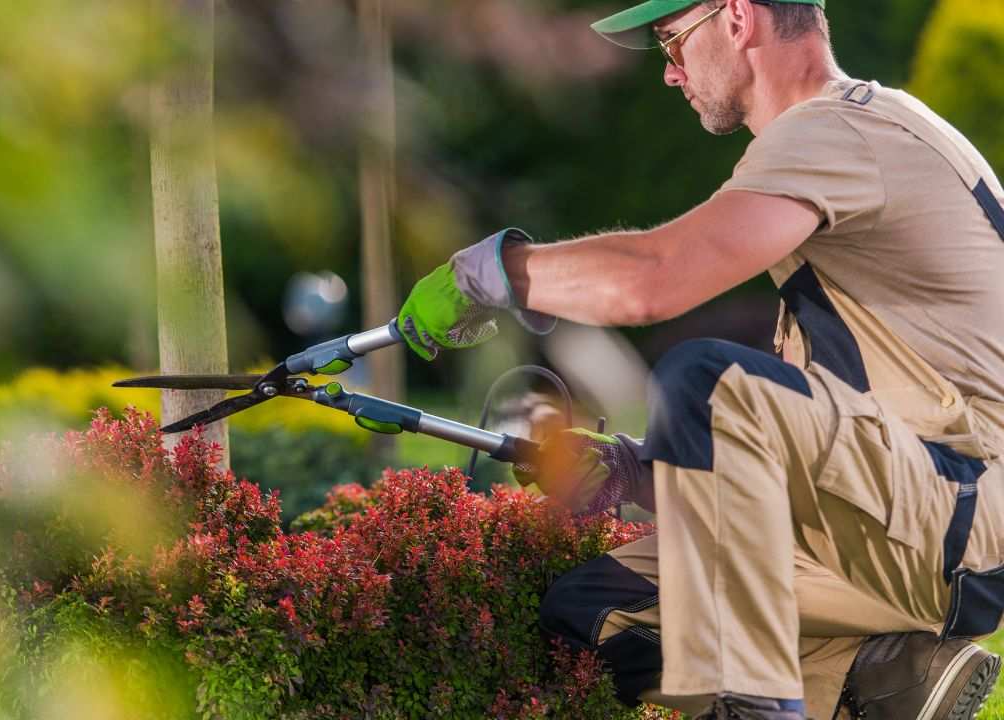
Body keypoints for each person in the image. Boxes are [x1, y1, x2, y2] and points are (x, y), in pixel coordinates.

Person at [395, 1, 1004, 718]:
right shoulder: (868, 133)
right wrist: (638, 471)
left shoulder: (834, 128)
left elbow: (656, 279)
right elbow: (808, 444)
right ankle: (884, 676)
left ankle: (764, 703)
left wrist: (491, 273)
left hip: (954, 519)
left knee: (706, 379)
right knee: (593, 614)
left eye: (670, 41)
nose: (671, 73)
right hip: (897, 514)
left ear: (738, 18)